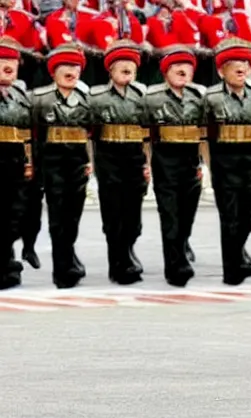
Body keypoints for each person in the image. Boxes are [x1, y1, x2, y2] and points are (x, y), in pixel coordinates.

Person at [205, 37, 251, 286]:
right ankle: (231, 270)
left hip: (249, 162)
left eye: (245, 62)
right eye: (234, 63)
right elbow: (204, 136)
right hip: (224, 163)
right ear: (221, 70)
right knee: (229, 217)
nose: (241, 67)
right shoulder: (211, 98)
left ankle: (239, 256)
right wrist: (208, 166)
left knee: (247, 217)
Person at [89, 39, 150, 286]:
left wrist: (147, 163)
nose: (128, 69)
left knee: (133, 214)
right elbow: (89, 133)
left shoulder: (143, 96)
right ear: (110, 70)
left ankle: (129, 248)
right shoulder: (96, 97)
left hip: (134, 157)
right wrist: (91, 163)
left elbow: (149, 134)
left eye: (132, 65)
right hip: (109, 156)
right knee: (114, 212)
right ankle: (119, 262)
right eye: (121, 65)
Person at [31, 43, 92, 288]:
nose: (71, 71)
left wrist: (90, 162)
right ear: (53, 71)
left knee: (73, 215)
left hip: (77, 161)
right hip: (52, 161)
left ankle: (69, 256)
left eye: (76, 66)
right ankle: (63, 270)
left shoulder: (87, 99)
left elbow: (91, 134)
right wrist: (33, 166)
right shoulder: (39, 99)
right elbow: (34, 135)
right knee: (58, 214)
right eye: (65, 66)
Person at [145, 45, 205, 287]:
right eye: (176, 66)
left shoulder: (199, 97)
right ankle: (175, 266)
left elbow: (204, 134)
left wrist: (203, 163)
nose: (183, 70)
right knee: (170, 214)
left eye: (188, 66)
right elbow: (144, 135)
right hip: (165, 161)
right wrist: (145, 162)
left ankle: (182, 244)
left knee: (187, 213)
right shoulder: (151, 98)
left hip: (190, 162)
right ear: (165, 72)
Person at [0, 36, 31, 290]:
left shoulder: (21, 93)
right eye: (2, 60)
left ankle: (8, 259)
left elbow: (28, 130)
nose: (8, 64)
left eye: (12, 60)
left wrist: (29, 161)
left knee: (14, 212)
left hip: (14, 157)